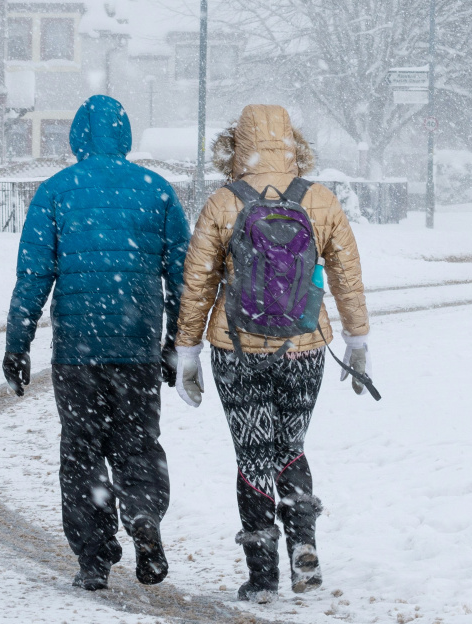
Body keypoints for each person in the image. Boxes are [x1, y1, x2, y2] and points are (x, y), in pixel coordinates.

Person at [173, 104, 370, 604]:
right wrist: (358, 339)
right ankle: (304, 547)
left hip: (236, 349)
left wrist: (188, 351)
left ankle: (262, 575)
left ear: (236, 146)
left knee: (253, 455)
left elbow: (197, 283)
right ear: (293, 143)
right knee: (291, 448)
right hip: (304, 347)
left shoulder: (224, 201)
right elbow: (347, 274)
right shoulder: (319, 199)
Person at [3, 95, 188, 591]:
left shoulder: (56, 191)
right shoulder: (157, 190)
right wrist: (176, 342)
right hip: (137, 346)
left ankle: (93, 556)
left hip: (78, 350)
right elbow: (183, 277)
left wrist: (17, 344)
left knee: (82, 451)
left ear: (78, 137)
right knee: (138, 446)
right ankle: (144, 516)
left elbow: (34, 274)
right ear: (125, 135)